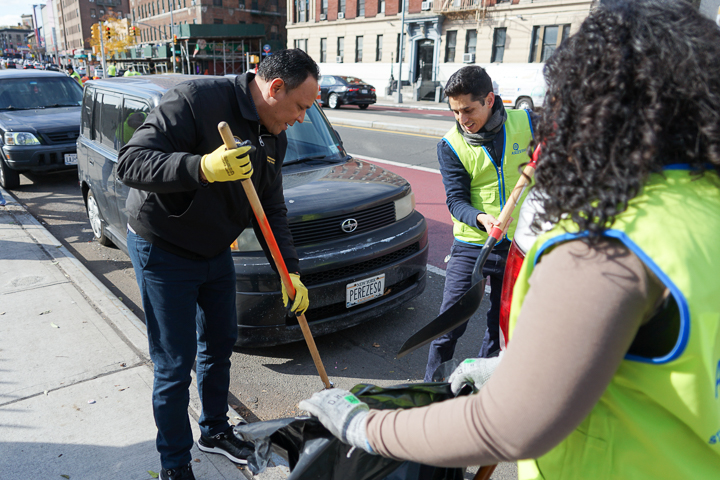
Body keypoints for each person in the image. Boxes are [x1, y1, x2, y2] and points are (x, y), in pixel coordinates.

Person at [299, 1, 720, 478]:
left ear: (592, 109)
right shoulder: (706, 205)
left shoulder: (607, 244)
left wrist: (365, 426)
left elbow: (509, 425)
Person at [117, 48, 319, 480]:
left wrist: (291, 272)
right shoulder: (195, 100)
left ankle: (214, 430)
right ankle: (174, 463)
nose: (302, 117)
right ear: (275, 87)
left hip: (214, 250)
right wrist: (202, 167)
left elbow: (272, 211)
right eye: (301, 106)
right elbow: (130, 163)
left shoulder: (273, 135)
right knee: (175, 363)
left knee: (220, 344)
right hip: (163, 247)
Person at [423, 65, 534, 381]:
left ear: (489, 99)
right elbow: (456, 201)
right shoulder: (450, 145)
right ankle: (432, 392)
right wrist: (481, 218)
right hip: (472, 246)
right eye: (455, 111)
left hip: (517, 246)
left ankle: (484, 388)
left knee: (500, 328)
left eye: (468, 110)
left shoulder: (527, 124)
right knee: (449, 326)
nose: (462, 119)